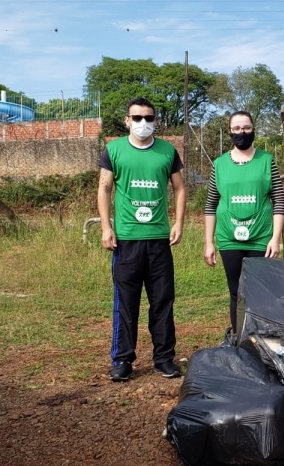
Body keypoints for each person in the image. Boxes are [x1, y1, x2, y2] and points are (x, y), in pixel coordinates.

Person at [97, 97, 186, 381]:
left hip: (159, 240)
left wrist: (179, 222)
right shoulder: (114, 150)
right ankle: (122, 360)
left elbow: (180, 189)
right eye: (137, 118)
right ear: (127, 120)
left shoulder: (167, 151)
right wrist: (106, 227)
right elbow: (104, 188)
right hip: (126, 241)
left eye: (148, 118)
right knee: (126, 302)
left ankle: (164, 358)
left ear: (155, 121)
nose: (143, 123)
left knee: (162, 301)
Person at [203, 111, 284, 331]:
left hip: (261, 239)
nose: (242, 132)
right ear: (230, 131)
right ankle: (241, 338)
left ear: (254, 130)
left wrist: (275, 238)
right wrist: (209, 242)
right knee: (235, 292)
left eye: (247, 128)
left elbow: (279, 201)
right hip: (229, 240)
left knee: (262, 292)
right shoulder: (219, 165)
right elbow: (211, 204)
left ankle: (263, 339)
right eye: (237, 128)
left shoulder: (267, 161)